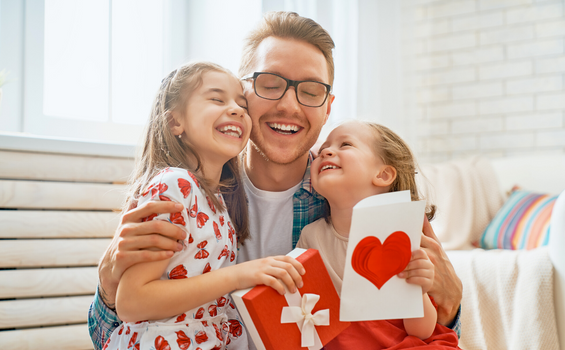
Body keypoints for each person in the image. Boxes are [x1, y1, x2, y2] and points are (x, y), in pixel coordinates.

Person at [89, 12, 463, 350]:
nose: (290, 105)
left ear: (327, 107)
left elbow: (428, 329)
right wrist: (108, 285)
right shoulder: (190, 193)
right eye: (270, 83)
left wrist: (452, 304)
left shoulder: (357, 199)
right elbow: (111, 334)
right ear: (243, 93)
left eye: (311, 91)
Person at [101, 61, 305, 350]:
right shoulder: (174, 185)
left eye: (241, 103)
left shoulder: (217, 198)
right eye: (216, 99)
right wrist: (239, 275)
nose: (236, 109)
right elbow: (132, 303)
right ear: (175, 122)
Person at [297, 120, 461, 349]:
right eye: (323, 148)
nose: (326, 151)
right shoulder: (310, 237)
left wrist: (419, 292)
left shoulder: (403, 235)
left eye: (345, 144)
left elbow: (422, 331)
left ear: (383, 175)